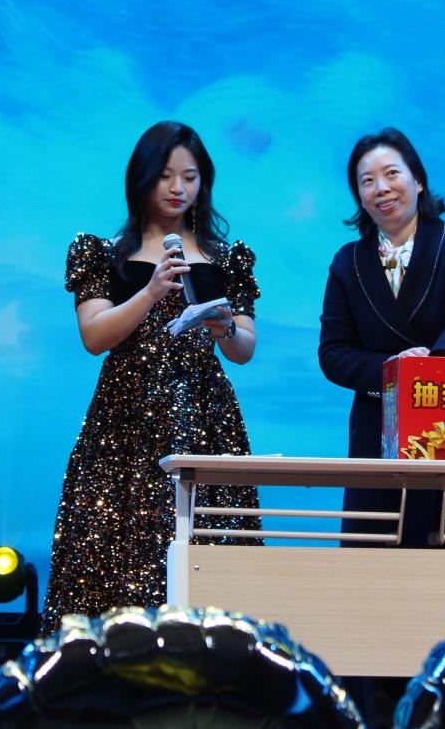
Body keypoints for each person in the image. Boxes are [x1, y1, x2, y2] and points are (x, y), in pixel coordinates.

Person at [317, 127, 445, 723]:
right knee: (381, 581)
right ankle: (379, 709)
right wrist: (392, 371)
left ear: (417, 179)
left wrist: (433, 365)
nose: (381, 188)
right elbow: (333, 353)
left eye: (391, 174)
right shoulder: (348, 263)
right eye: (366, 181)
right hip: (379, 442)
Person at [42, 121, 261, 632]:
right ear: (141, 178)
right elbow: (94, 336)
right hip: (126, 419)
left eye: (190, 176)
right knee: (112, 544)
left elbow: (244, 349)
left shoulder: (226, 258)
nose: (178, 187)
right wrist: (150, 292)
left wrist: (225, 327)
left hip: (204, 417)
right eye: (165, 175)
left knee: (208, 539)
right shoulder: (103, 253)